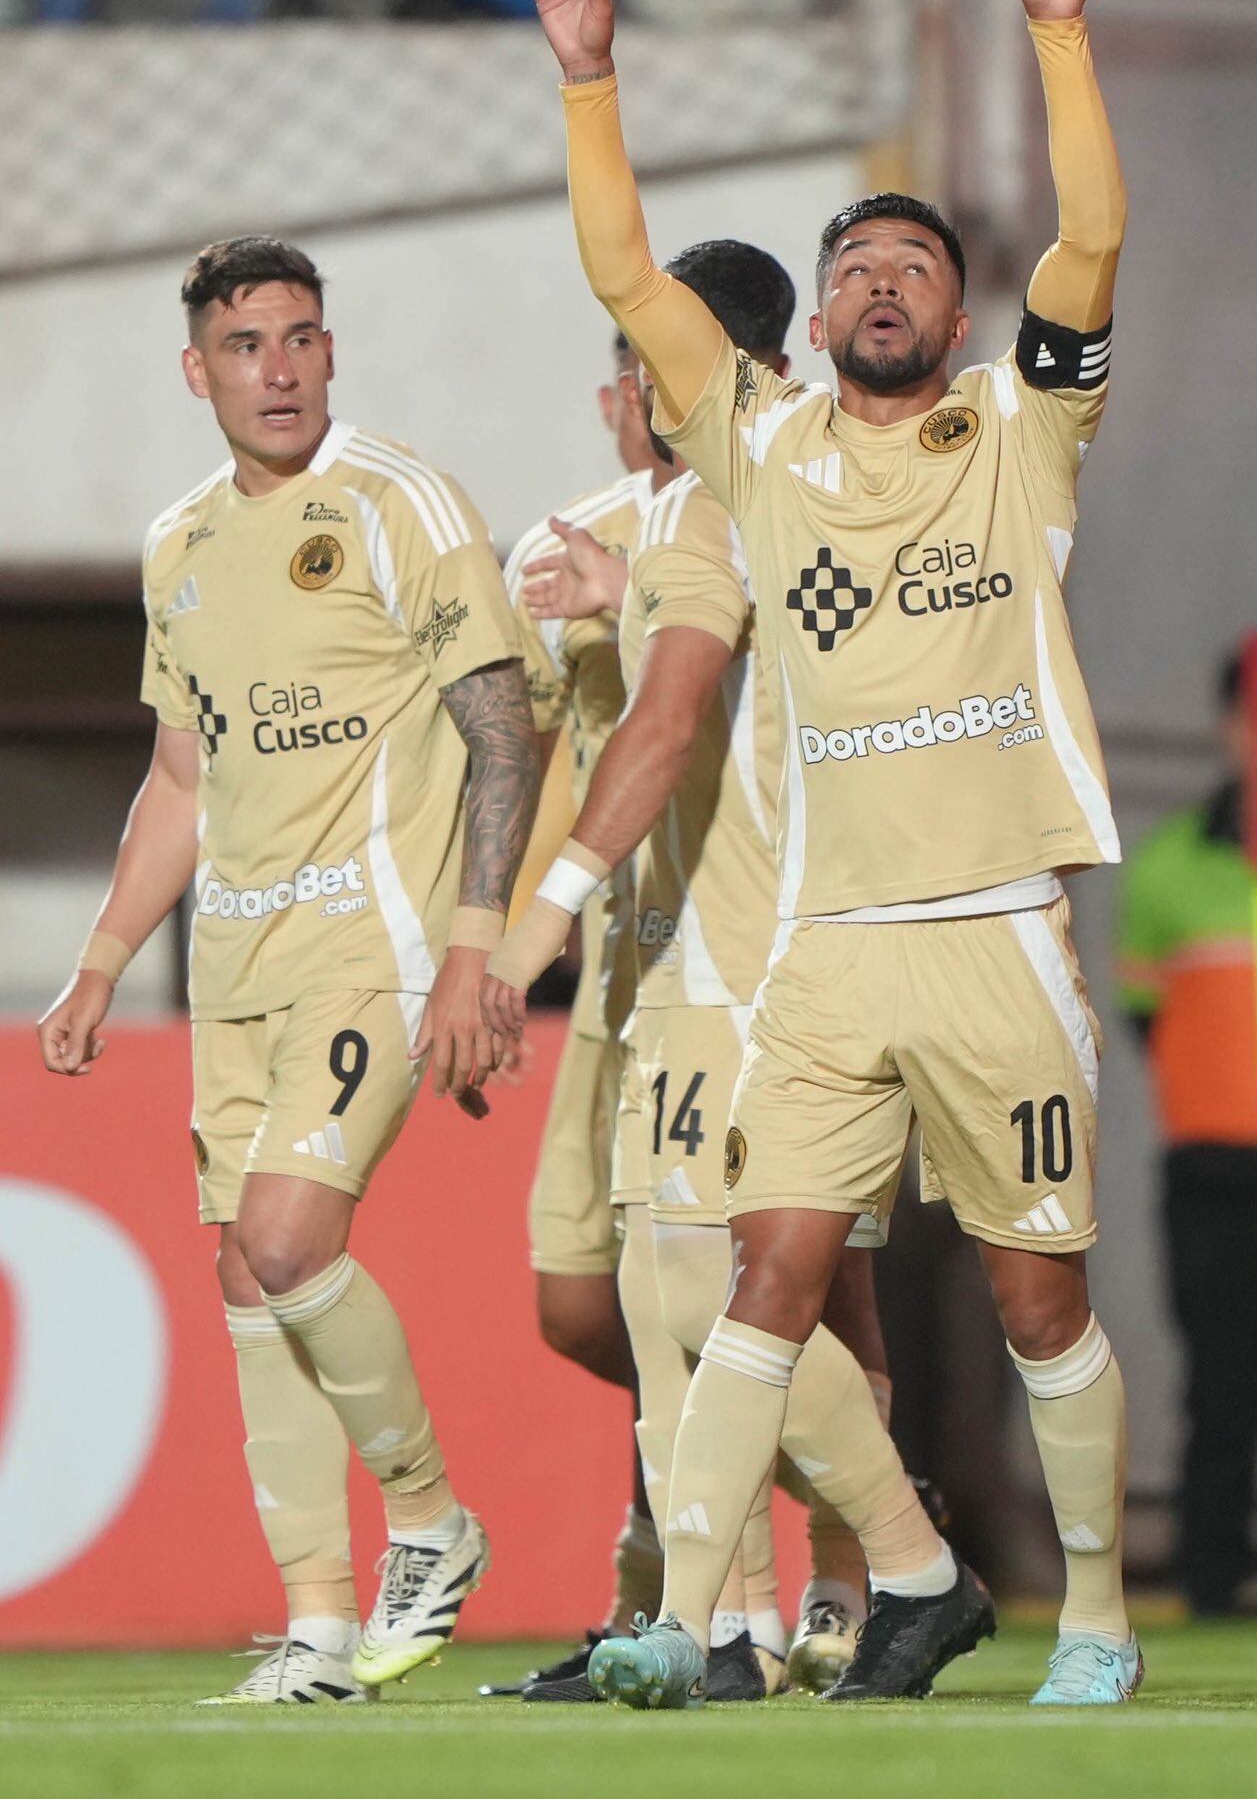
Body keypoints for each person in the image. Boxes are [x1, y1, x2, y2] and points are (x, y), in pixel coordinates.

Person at [508, 0, 1136, 1709]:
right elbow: (626, 273)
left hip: (995, 934)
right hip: (827, 951)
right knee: (757, 1281)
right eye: (852, 261)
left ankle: (1093, 1611)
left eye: (914, 264)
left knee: (1038, 1306)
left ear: (956, 311)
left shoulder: (1024, 428)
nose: (878, 280)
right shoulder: (757, 447)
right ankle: (682, 1621)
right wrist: (589, 82)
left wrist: (1054, 34)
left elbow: (1088, 233)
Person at [36, 237, 539, 1705]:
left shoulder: (403, 503)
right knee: (244, 1278)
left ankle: (436, 1522)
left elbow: (505, 729)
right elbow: (181, 783)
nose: (281, 368)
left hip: (369, 951)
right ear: (197, 372)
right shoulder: (178, 545)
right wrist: (102, 960)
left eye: (303, 338)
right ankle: (319, 1622)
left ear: (332, 350)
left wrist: (473, 953)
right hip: (236, 967)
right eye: (248, 345)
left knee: (287, 1239)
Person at [487, 238, 954, 1700]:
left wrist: (535, 915)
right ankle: (722, 1625)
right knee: (651, 1299)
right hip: (669, 958)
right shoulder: (667, 518)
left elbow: (683, 719)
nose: (635, 386)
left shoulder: (770, 493)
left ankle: (897, 1573)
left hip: (768, 952)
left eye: (654, 357)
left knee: (749, 1295)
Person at [479, 331, 682, 1702]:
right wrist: (501, 949)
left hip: (741, 970)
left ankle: (837, 1580)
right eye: (636, 370)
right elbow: (547, 751)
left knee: (791, 1287)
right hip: (616, 970)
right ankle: (870, 1490)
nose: (651, 397)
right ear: (614, 393)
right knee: (585, 1305)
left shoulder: (775, 511)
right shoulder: (570, 543)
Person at [1115, 641, 1257, 1615]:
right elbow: (1141, 1010)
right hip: (1210, 1160)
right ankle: (1214, 1575)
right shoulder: (1169, 863)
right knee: (1223, 1381)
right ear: (1225, 727)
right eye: (1251, 717)